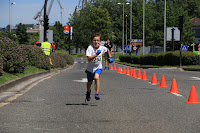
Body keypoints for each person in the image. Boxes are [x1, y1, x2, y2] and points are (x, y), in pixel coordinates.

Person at [85, 33, 114, 101]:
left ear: (100, 42)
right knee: (90, 82)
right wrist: (96, 54)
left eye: (98, 40)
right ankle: (88, 92)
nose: (96, 42)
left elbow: (107, 50)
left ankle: (97, 93)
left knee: (96, 77)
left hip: (98, 67)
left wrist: (110, 57)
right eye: (94, 40)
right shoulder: (90, 48)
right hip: (90, 69)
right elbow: (89, 59)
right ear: (92, 41)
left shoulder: (102, 48)